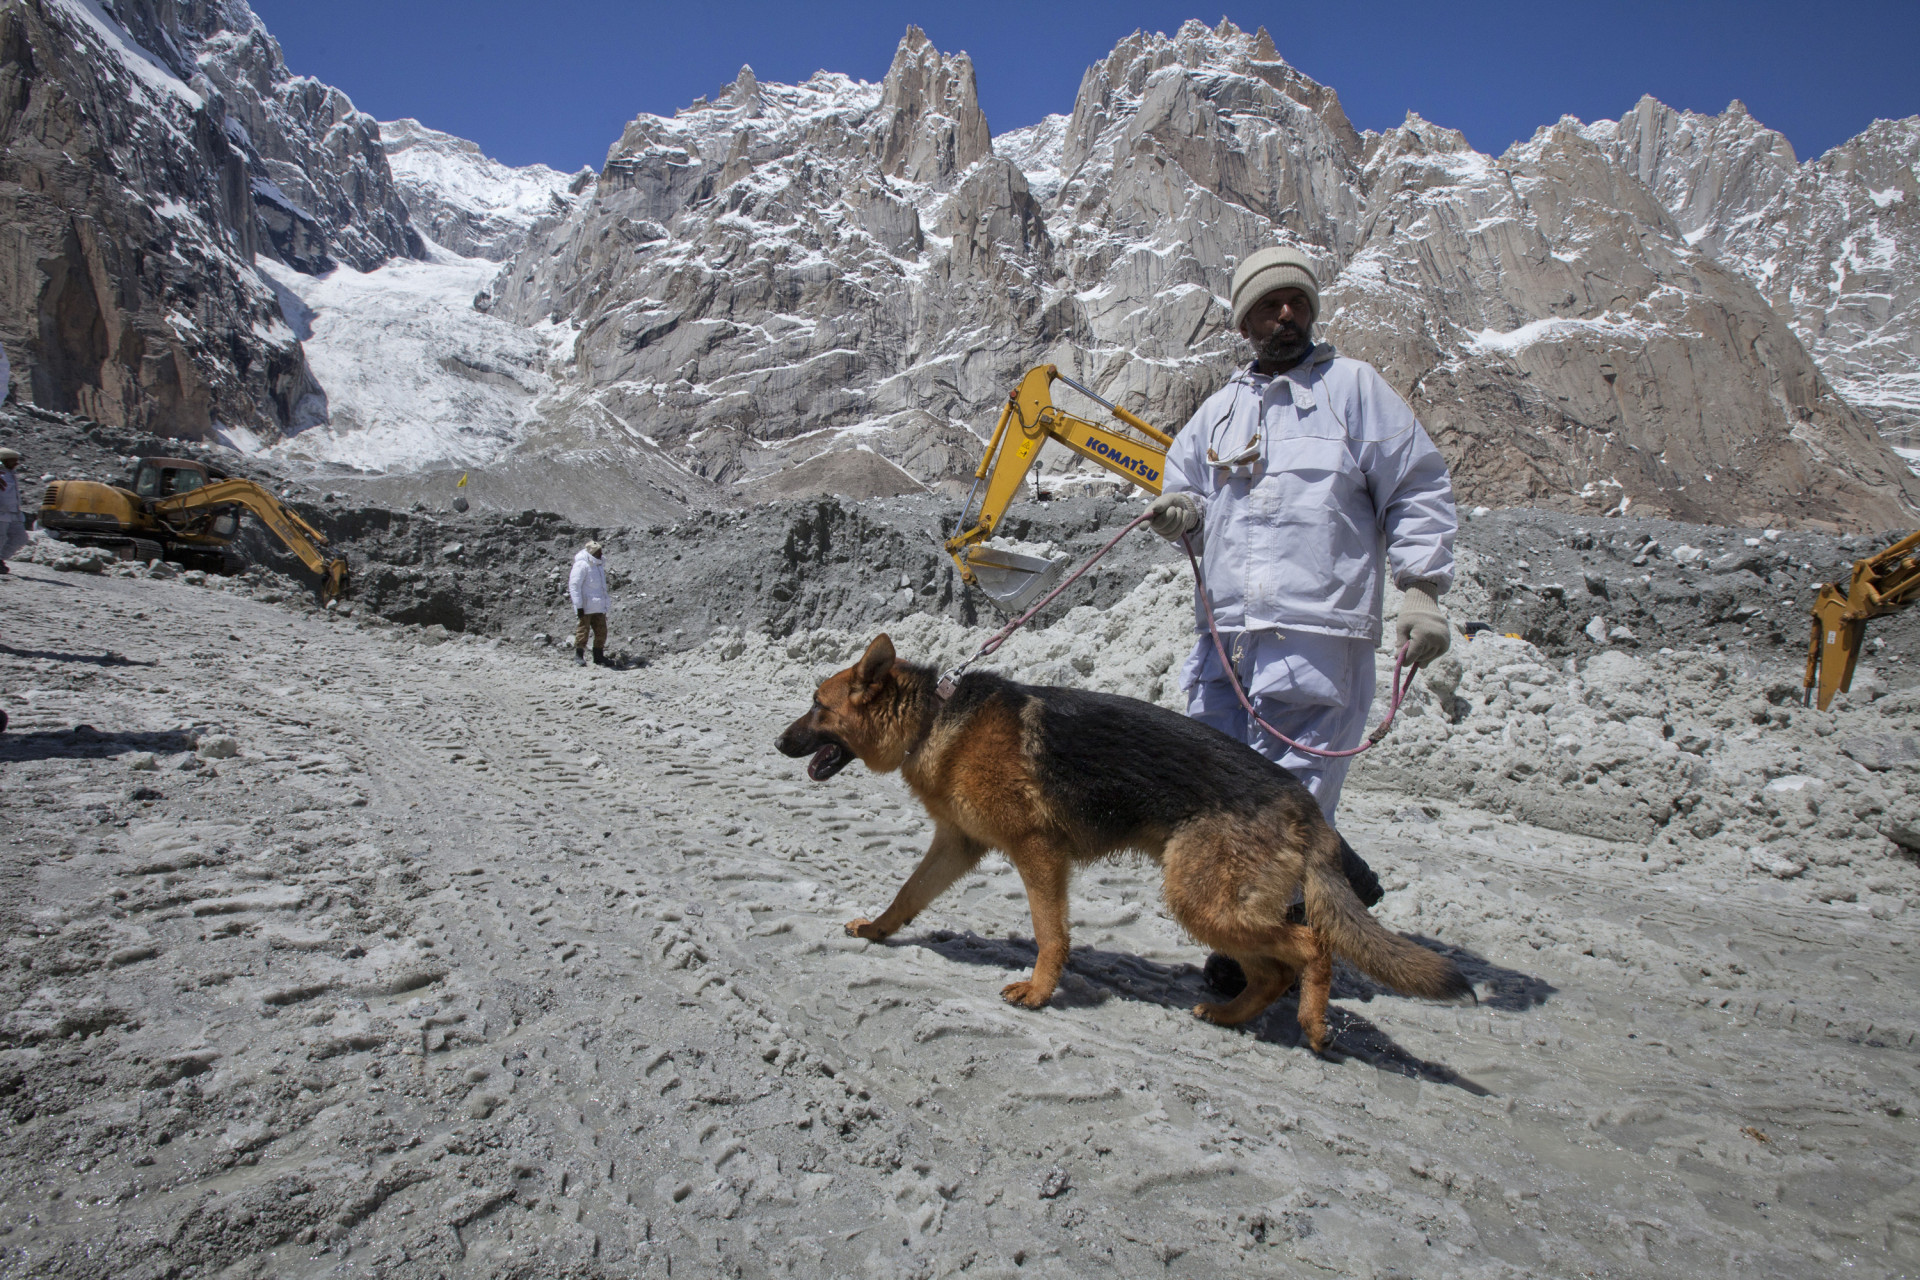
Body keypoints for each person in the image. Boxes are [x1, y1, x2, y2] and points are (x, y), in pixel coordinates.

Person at [1144, 245, 1456, 943]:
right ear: (1244, 320)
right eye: (1269, 304)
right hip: (1225, 640)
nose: (1286, 315)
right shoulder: (1218, 414)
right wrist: (1180, 514)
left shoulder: (1355, 392)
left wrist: (1422, 590)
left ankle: (1263, 952)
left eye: (1298, 302)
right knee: (1217, 798)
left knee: (1289, 800)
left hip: (1318, 638)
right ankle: (1317, 898)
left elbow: (1417, 489)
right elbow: (1183, 491)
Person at [569, 540, 611, 666]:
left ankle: (598, 656)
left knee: (601, 631)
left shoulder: (598, 565)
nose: (600, 553)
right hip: (586, 606)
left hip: (598, 605)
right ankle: (579, 655)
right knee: (583, 631)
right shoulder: (582, 565)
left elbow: (601, 587)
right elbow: (574, 586)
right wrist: (579, 605)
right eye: (597, 551)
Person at [0, 446, 27, 575]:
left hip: (14, 513)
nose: (16, 463)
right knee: (1, 537)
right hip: (1, 511)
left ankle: (0, 558)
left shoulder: (11, 473)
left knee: (20, 538)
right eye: (12, 460)